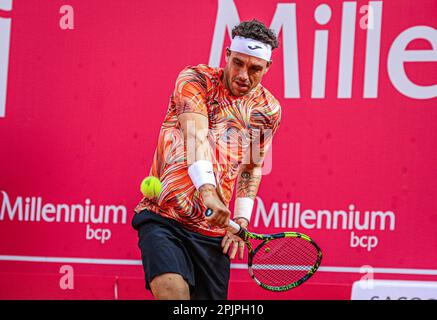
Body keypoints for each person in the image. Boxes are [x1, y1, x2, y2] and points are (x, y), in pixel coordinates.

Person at [131, 19, 281, 300]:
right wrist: (208, 191)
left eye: (255, 68)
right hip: (164, 216)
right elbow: (194, 137)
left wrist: (241, 221)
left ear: (267, 68)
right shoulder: (195, 80)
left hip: (212, 233)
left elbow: (250, 168)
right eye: (238, 63)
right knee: (172, 293)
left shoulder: (268, 110)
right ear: (227, 55)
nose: (243, 75)